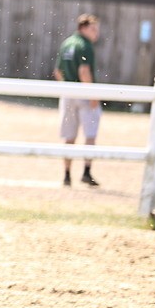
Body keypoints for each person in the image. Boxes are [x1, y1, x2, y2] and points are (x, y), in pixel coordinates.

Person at [53, 13, 102, 187]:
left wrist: (66, 88)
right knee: (90, 134)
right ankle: (86, 172)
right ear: (83, 28)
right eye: (93, 29)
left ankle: (66, 175)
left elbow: (58, 72)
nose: (96, 33)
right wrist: (93, 95)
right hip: (83, 93)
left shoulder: (67, 43)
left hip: (67, 93)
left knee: (69, 136)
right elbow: (84, 72)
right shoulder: (84, 45)